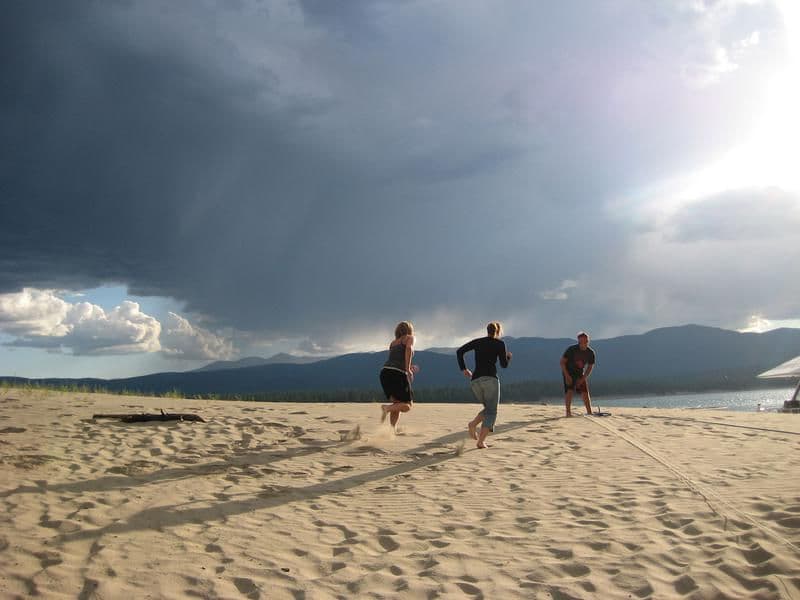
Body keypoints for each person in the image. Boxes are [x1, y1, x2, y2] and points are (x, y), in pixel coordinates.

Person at [456, 322, 512, 449]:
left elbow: (460, 351)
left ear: (487, 330)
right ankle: (480, 440)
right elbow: (504, 365)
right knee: (492, 411)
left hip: (475, 381)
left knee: (488, 408)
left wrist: (463, 369)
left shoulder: (478, 342)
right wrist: (508, 358)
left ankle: (473, 425)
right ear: (497, 331)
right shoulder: (500, 344)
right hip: (490, 379)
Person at [379, 321, 416, 430]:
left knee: (397, 404)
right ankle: (386, 408)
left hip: (385, 373)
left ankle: (391, 430)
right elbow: (408, 349)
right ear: (409, 330)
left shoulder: (393, 343)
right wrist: (408, 369)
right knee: (408, 405)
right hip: (397, 373)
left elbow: (396, 359)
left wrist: (408, 367)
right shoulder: (410, 338)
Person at [560, 331, 596, 417]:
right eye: (581, 342)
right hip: (568, 371)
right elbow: (562, 362)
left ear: (588, 341)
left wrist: (583, 378)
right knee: (570, 390)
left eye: (586, 341)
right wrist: (567, 376)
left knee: (585, 391)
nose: (584, 343)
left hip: (580, 372)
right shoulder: (571, 349)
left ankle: (589, 411)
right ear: (579, 342)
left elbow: (590, 367)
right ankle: (568, 413)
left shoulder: (590, 352)